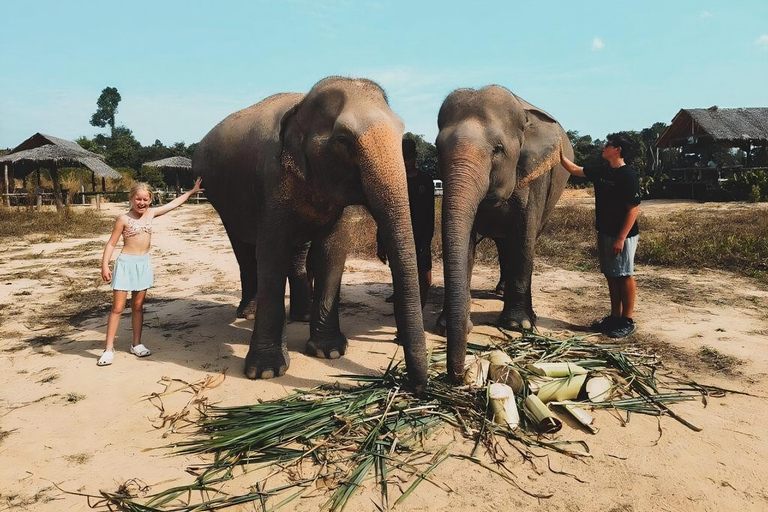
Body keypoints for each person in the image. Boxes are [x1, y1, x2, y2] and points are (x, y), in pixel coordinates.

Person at [97, 178, 204, 365]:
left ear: (151, 199)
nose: (142, 203)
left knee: (138, 307)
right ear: (131, 199)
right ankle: (108, 349)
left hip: (143, 264)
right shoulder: (123, 219)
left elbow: (173, 204)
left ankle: (136, 344)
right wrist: (105, 265)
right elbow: (111, 243)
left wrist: (192, 191)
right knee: (118, 308)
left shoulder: (151, 214)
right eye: (138, 199)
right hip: (125, 265)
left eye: (145, 199)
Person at [559, 133, 641, 338]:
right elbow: (575, 169)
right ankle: (614, 317)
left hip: (623, 235)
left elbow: (633, 209)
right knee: (611, 275)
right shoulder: (603, 171)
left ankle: (627, 320)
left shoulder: (628, 175)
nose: (603, 148)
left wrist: (621, 238)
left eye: (607, 145)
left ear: (617, 150)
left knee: (624, 274)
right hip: (605, 231)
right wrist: (558, 153)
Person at [378, 138, 435, 310]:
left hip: (421, 236)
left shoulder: (425, 180)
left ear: (415, 156)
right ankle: (405, 314)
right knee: (401, 278)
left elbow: (430, 214)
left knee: (425, 279)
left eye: (409, 157)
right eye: (402, 157)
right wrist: (380, 243)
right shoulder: (392, 182)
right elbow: (383, 214)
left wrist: (427, 241)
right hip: (398, 237)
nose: (406, 162)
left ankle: (419, 311)